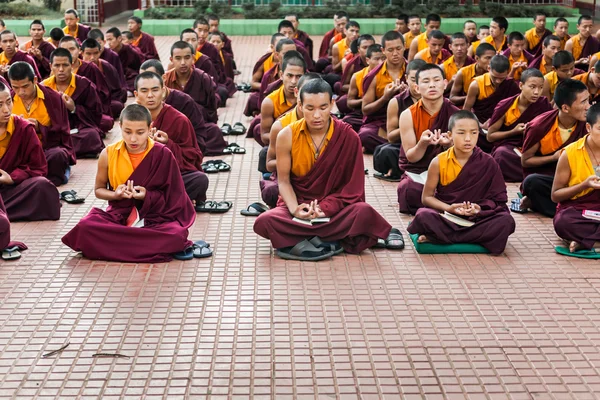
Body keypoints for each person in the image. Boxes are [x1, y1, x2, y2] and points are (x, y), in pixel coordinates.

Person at [254, 78, 401, 260]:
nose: (317, 115)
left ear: (332, 104)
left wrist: (324, 209)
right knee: (264, 221)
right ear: (300, 105)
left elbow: (352, 190)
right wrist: (295, 210)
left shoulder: (349, 137)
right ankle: (332, 238)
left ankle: (303, 237)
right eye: (310, 108)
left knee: (363, 211)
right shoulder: (287, 135)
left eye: (323, 108)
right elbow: (283, 182)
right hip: (298, 204)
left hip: (333, 210)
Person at [61, 104, 197, 263]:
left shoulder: (162, 153)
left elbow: (174, 197)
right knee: (85, 227)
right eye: (127, 132)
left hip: (153, 217)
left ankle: (114, 247)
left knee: (176, 235)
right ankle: (138, 245)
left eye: (140, 133)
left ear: (150, 127)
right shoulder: (109, 153)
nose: (133, 139)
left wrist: (147, 196)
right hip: (119, 215)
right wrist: (115, 194)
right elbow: (99, 190)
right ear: (120, 127)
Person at [407, 110, 515, 255]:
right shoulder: (438, 162)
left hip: (477, 219)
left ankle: (442, 238)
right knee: (423, 216)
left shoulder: (489, 162)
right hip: (447, 217)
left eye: (474, 133)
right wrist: (449, 208)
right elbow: (426, 198)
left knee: (506, 221)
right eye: (461, 133)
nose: (468, 139)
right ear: (450, 135)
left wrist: (478, 209)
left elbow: (498, 200)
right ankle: (474, 238)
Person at [134, 72, 208, 210]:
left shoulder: (179, 120)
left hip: (169, 179)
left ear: (163, 91)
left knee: (200, 180)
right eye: (144, 91)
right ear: (136, 95)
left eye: (155, 90)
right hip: (141, 178)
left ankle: (156, 200)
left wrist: (168, 144)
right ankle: (174, 200)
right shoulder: (131, 118)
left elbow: (194, 157)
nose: (150, 95)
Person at [515, 79, 590, 217]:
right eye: (583, 102)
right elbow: (525, 161)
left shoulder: (590, 124)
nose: (588, 107)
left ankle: (538, 203)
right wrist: (554, 157)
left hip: (580, 177)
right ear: (565, 108)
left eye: (588, 100)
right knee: (532, 183)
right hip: (551, 178)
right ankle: (574, 210)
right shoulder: (539, 126)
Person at [397, 63, 459, 215]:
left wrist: (448, 147)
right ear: (417, 88)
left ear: (445, 84)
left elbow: (466, 156)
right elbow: (411, 157)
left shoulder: (456, 115)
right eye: (426, 81)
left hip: (448, 173)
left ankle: (438, 204)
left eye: (437, 80)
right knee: (407, 190)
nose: (432, 85)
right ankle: (444, 206)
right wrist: (422, 144)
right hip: (419, 173)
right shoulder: (408, 115)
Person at [0, 78, 60, 221]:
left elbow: (39, 167)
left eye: (9, 102)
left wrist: (12, 178)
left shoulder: (23, 128)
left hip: (12, 189)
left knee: (42, 186)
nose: (6, 110)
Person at [140, 59, 228, 156]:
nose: (146, 81)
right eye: (143, 77)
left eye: (151, 76)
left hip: (180, 144)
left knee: (213, 131)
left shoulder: (182, 100)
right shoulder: (137, 106)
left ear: (164, 78)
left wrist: (167, 142)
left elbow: (197, 129)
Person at [8, 62, 75, 186]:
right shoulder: (8, 101)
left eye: (25, 86)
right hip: (18, 153)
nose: (21, 92)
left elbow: (62, 133)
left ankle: (32, 179)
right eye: (15, 87)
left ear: (34, 80)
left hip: (45, 149)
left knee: (58, 155)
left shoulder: (52, 98)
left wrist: (40, 128)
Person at [487, 69, 552, 182]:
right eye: (532, 87)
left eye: (540, 87)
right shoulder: (506, 105)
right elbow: (490, 136)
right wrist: (514, 131)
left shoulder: (544, 104)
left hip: (533, 148)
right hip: (511, 148)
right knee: (501, 155)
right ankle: (534, 175)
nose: (537, 92)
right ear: (521, 85)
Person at [551, 102, 600, 253]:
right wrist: (584, 185)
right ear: (588, 128)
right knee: (563, 222)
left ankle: (588, 243)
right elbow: (555, 195)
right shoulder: (570, 153)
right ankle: (594, 242)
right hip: (581, 212)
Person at [42, 48, 104, 158]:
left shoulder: (84, 84)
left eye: (65, 65)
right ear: (51, 66)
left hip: (78, 129)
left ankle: (60, 150)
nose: (61, 69)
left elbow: (96, 114)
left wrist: (73, 108)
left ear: (72, 65)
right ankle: (65, 150)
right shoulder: (44, 87)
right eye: (57, 65)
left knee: (92, 136)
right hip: (55, 131)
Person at [373, 59, 425, 181]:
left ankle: (398, 170)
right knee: (384, 151)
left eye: (422, 80)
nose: (417, 84)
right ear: (406, 78)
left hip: (429, 146)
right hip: (404, 146)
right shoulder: (396, 102)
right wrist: (410, 124)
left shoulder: (434, 99)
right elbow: (391, 137)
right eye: (413, 80)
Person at [359, 30, 407, 154]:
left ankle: (390, 147)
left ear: (404, 46)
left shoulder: (412, 72)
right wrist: (385, 97)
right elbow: (365, 109)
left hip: (407, 121)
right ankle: (400, 146)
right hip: (382, 123)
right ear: (383, 50)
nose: (395, 54)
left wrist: (409, 93)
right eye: (390, 50)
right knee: (365, 135)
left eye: (398, 48)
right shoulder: (374, 76)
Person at [59, 36, 113, 133]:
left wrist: (75, 107)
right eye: (64, 50)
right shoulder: (55, 71)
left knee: (106, 122)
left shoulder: (90, 68)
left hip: (84, 113)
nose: (68, 53)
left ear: (79, 50)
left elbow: (103, 94)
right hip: (61, 115)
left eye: (71, 49)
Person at [254, 51, 306, 147]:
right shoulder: (270, 102)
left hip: (306, 143)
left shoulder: (310, 98)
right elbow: (265, 135)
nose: (293, 81)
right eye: (289, 76)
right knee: (264, 153)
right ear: (281, 75)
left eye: (298, 76)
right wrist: (290, 138)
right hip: (281, 144)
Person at [163, 41, 218, 124]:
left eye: (187, 57)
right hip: (173, 126)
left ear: (193, 58)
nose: (183, 63)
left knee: (215, 132)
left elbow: (211, 111)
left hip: (199, 125)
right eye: (178, 58)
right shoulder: (166, 79)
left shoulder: (204, 79)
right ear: (171, 60)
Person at [463, 54, 519, 132]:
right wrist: (480, 125)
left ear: (508, 72)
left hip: (503, 126)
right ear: (489, 68)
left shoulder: (511, 85)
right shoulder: (476, 85)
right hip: (480, 126)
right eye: (495, 77)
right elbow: (466, 111)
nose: (498, 81)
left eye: (502, 78)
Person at [343, 44, 384, 132]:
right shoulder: (358, 76)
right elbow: (350, 102)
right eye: (376, 59)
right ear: (368, 60)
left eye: (383, 58)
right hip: (363, 112)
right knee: (347, 120)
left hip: (383, 114)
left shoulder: (389, 75)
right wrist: (367, 100)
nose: (381, 63)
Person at [81, 38, 125, 118]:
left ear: (100, 52)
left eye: (96, 53)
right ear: (82, 53)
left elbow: (117, 90)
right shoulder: (77, 68)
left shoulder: (106, 66)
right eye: (88, 54)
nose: (92, 57)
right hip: (84, 104)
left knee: (117, 105)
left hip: (103, 103)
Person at [244, 33, 285, 117]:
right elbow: (253, 82)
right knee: (253, 99)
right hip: (267, 92)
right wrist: (267, 87)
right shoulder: (265, 61)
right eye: (279, 45)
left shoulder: (293, 63)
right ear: (272, 47)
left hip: (287, 95)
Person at [450, 42, 496, 107]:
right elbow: (452, 98)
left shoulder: (495, 74)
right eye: (488, 58)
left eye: (493, 58)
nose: (491, 62)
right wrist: (471, 96)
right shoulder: (463, 72)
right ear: (477, 58)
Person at [105, 27, 143, 94]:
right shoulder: (108, 53)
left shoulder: (131, 51)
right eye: (107, 40)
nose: (108, 43)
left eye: (110, 39)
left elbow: (139, 68)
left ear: (119, 38)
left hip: (129, 78)